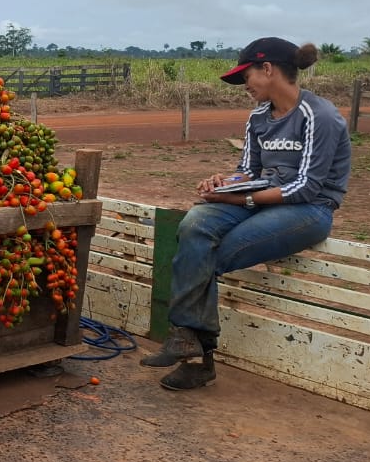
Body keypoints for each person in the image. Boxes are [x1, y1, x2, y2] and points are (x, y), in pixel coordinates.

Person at [143, 37, 351, 391]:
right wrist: (225, 183)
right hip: (262, 197)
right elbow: (248, 169)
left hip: (309, 210)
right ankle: (186, 341)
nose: (245, 86)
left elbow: (306, 188)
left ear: (268, 69)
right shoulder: (259, 116)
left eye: (247, 77)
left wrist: (240, 199)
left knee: (210, 254)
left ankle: (196, 355)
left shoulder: (320, 116)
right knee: (195, 224)